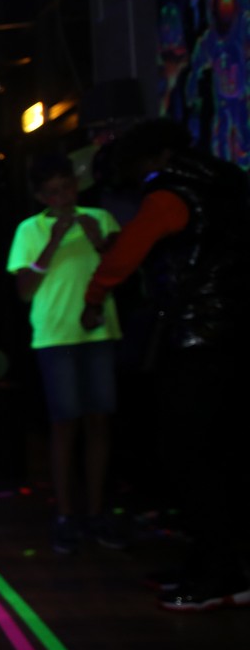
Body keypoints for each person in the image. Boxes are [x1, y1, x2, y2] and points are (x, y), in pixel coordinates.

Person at [81, 118, 249, 611]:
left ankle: (219, 574)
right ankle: (212, 562)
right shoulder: (219, 185)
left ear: (153, 157)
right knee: (214, 452)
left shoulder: (170, 196)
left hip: (197, 335)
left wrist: (94, 296)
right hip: (228, 333)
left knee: (187, 455)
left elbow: (124, 256)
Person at [7, 154, 123, 554]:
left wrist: (98, 240)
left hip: (99, 331)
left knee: (99, 421)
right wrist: (53, 241)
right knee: (64, 424)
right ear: (41, 196)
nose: (63, 197)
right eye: (53, 192)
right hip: (55, 337)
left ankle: (96, 512)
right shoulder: (30, 229)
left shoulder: (101, 219)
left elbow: (123, 273)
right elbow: (24, 290)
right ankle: (66, 515)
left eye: (67, 188)